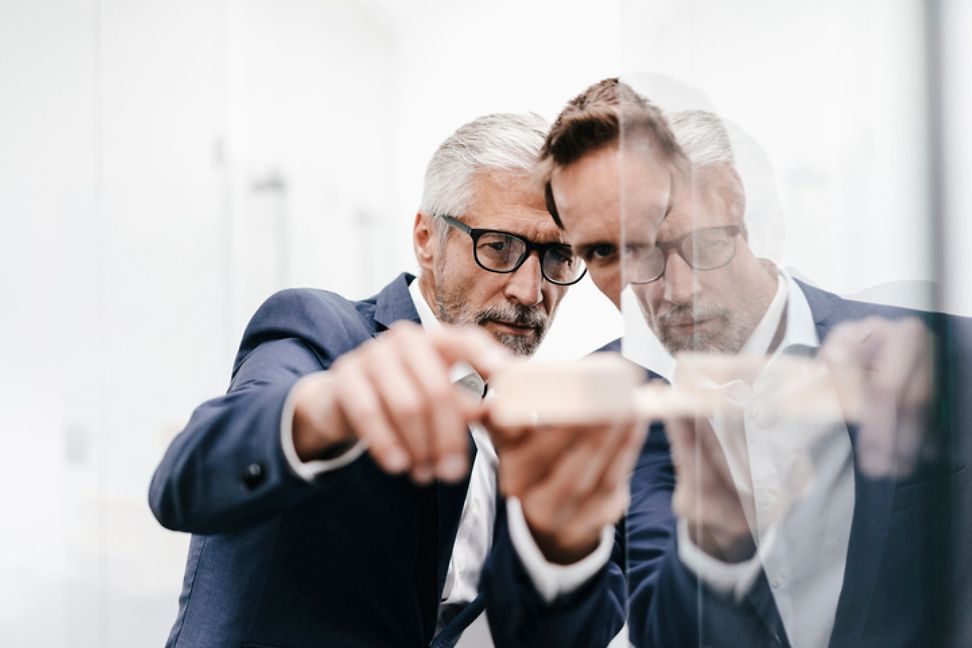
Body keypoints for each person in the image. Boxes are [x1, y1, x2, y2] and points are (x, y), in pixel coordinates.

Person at [149, 113, 639, 647]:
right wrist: (324, 411)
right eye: (499, 247)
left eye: (557, 256)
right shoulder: (321, 333)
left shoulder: (524, 431)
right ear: (427, 240)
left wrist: (563, 550)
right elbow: (184, 480)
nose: (529, 289)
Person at [538, 78, 972, 647]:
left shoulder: (950, 359)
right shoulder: (589, 418)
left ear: (728, 199)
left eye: (679, 239)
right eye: (609, 254)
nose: (671, 291)